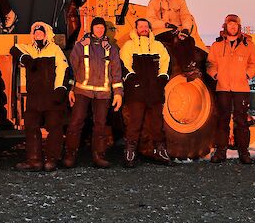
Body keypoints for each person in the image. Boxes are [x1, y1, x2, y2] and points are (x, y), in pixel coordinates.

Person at [64, 17, 123, 168]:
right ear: (92, 29)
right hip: (82, 91)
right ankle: (70, 154)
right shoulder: (81, 46)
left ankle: (99, 156)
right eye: (97, 27)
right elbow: (72, 69)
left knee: (100, 125)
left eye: (102, 28)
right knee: (76, 122)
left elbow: (116, 72)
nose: (100, 30)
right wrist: (71, 90)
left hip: (103, 94)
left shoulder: (111, 48)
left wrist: (118, 93)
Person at [10, 22, 69, 172]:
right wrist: (25, 58)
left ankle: (51, 159)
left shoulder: (55, 49)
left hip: (51, 96)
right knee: (31, 127)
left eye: (40, 32)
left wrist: (60, 89)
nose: (38, 35)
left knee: (54, 127)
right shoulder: (29, 49)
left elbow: (63, 68)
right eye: (35, 33)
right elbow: (14, 49)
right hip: (34, 97)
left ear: (46, 34)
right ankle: (34, 160)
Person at [207, 14, 255, 164]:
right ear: (225, 26)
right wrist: (216, 75)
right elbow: (210, 63)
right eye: (230, 25)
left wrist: (246, 74)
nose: (232, 27)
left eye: (235, 25)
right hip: (223, 87)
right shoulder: (217, 45)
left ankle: (244, 152)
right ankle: (221, 151)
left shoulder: (247, 45)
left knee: (241, 121)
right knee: (222, 119)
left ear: (239, 27)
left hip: (241, 88)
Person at [120, 18, 171, 167]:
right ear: (136, 29)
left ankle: (161, 151)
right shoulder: (129, 46)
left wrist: (162, 79)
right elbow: (125, 65)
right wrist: (133, 81)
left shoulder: (158, 46)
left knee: (157, 124)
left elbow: (166, 63)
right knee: (134, 123)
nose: (144, 28)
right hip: (137, 92)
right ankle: (130, 153)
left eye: (146, 26)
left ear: (149, 28)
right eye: (141, 26)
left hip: (154, 91)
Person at [146, 0, 200, 79]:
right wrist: (165, 25)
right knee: (177, 40)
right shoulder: (154, 2)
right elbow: (150, 20)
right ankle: (185, 68)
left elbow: (186, 16)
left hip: (178, 30)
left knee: (189, 40)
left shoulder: (179, 0)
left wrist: (186, 29)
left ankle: (191, 65)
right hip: (161, 31)